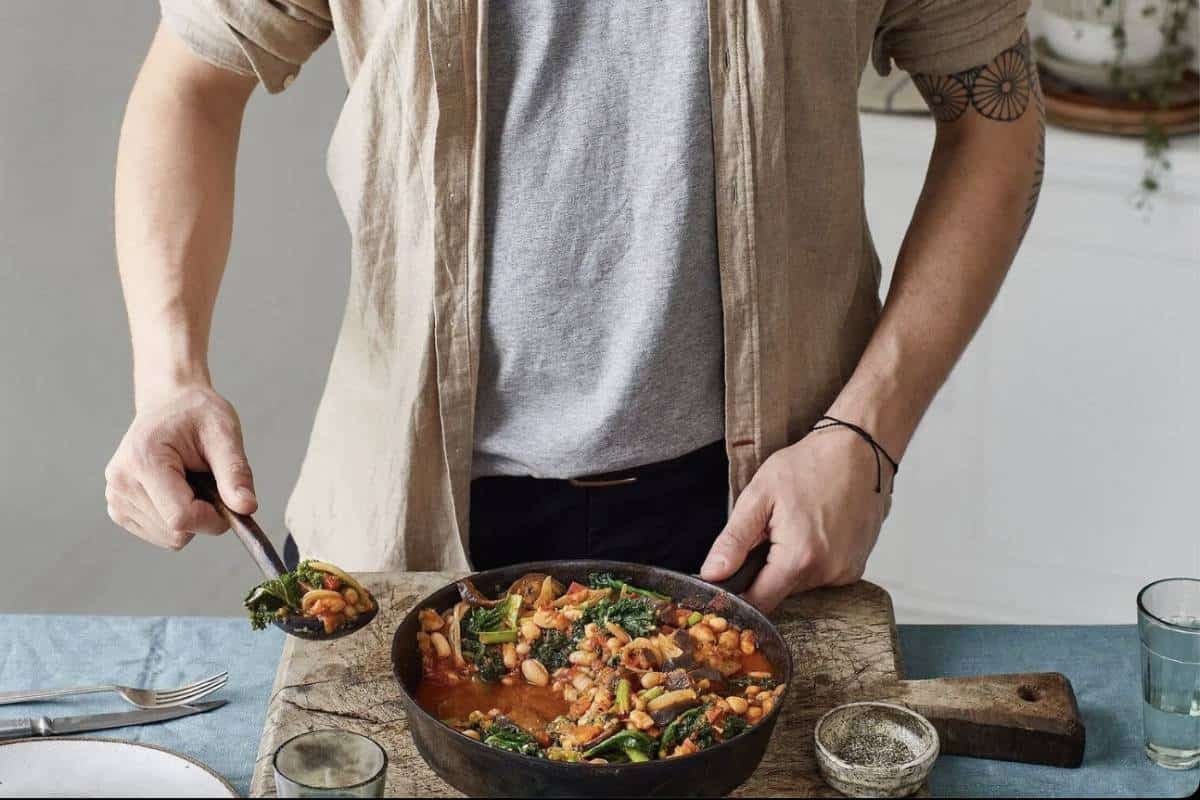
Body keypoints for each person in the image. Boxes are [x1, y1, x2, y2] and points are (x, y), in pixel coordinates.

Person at [106, 1, 1043, 613]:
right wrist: (168, 376)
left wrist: (866, 436)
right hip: (399, 517)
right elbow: (189, 85)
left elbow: (994, 120)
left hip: (758, 522)